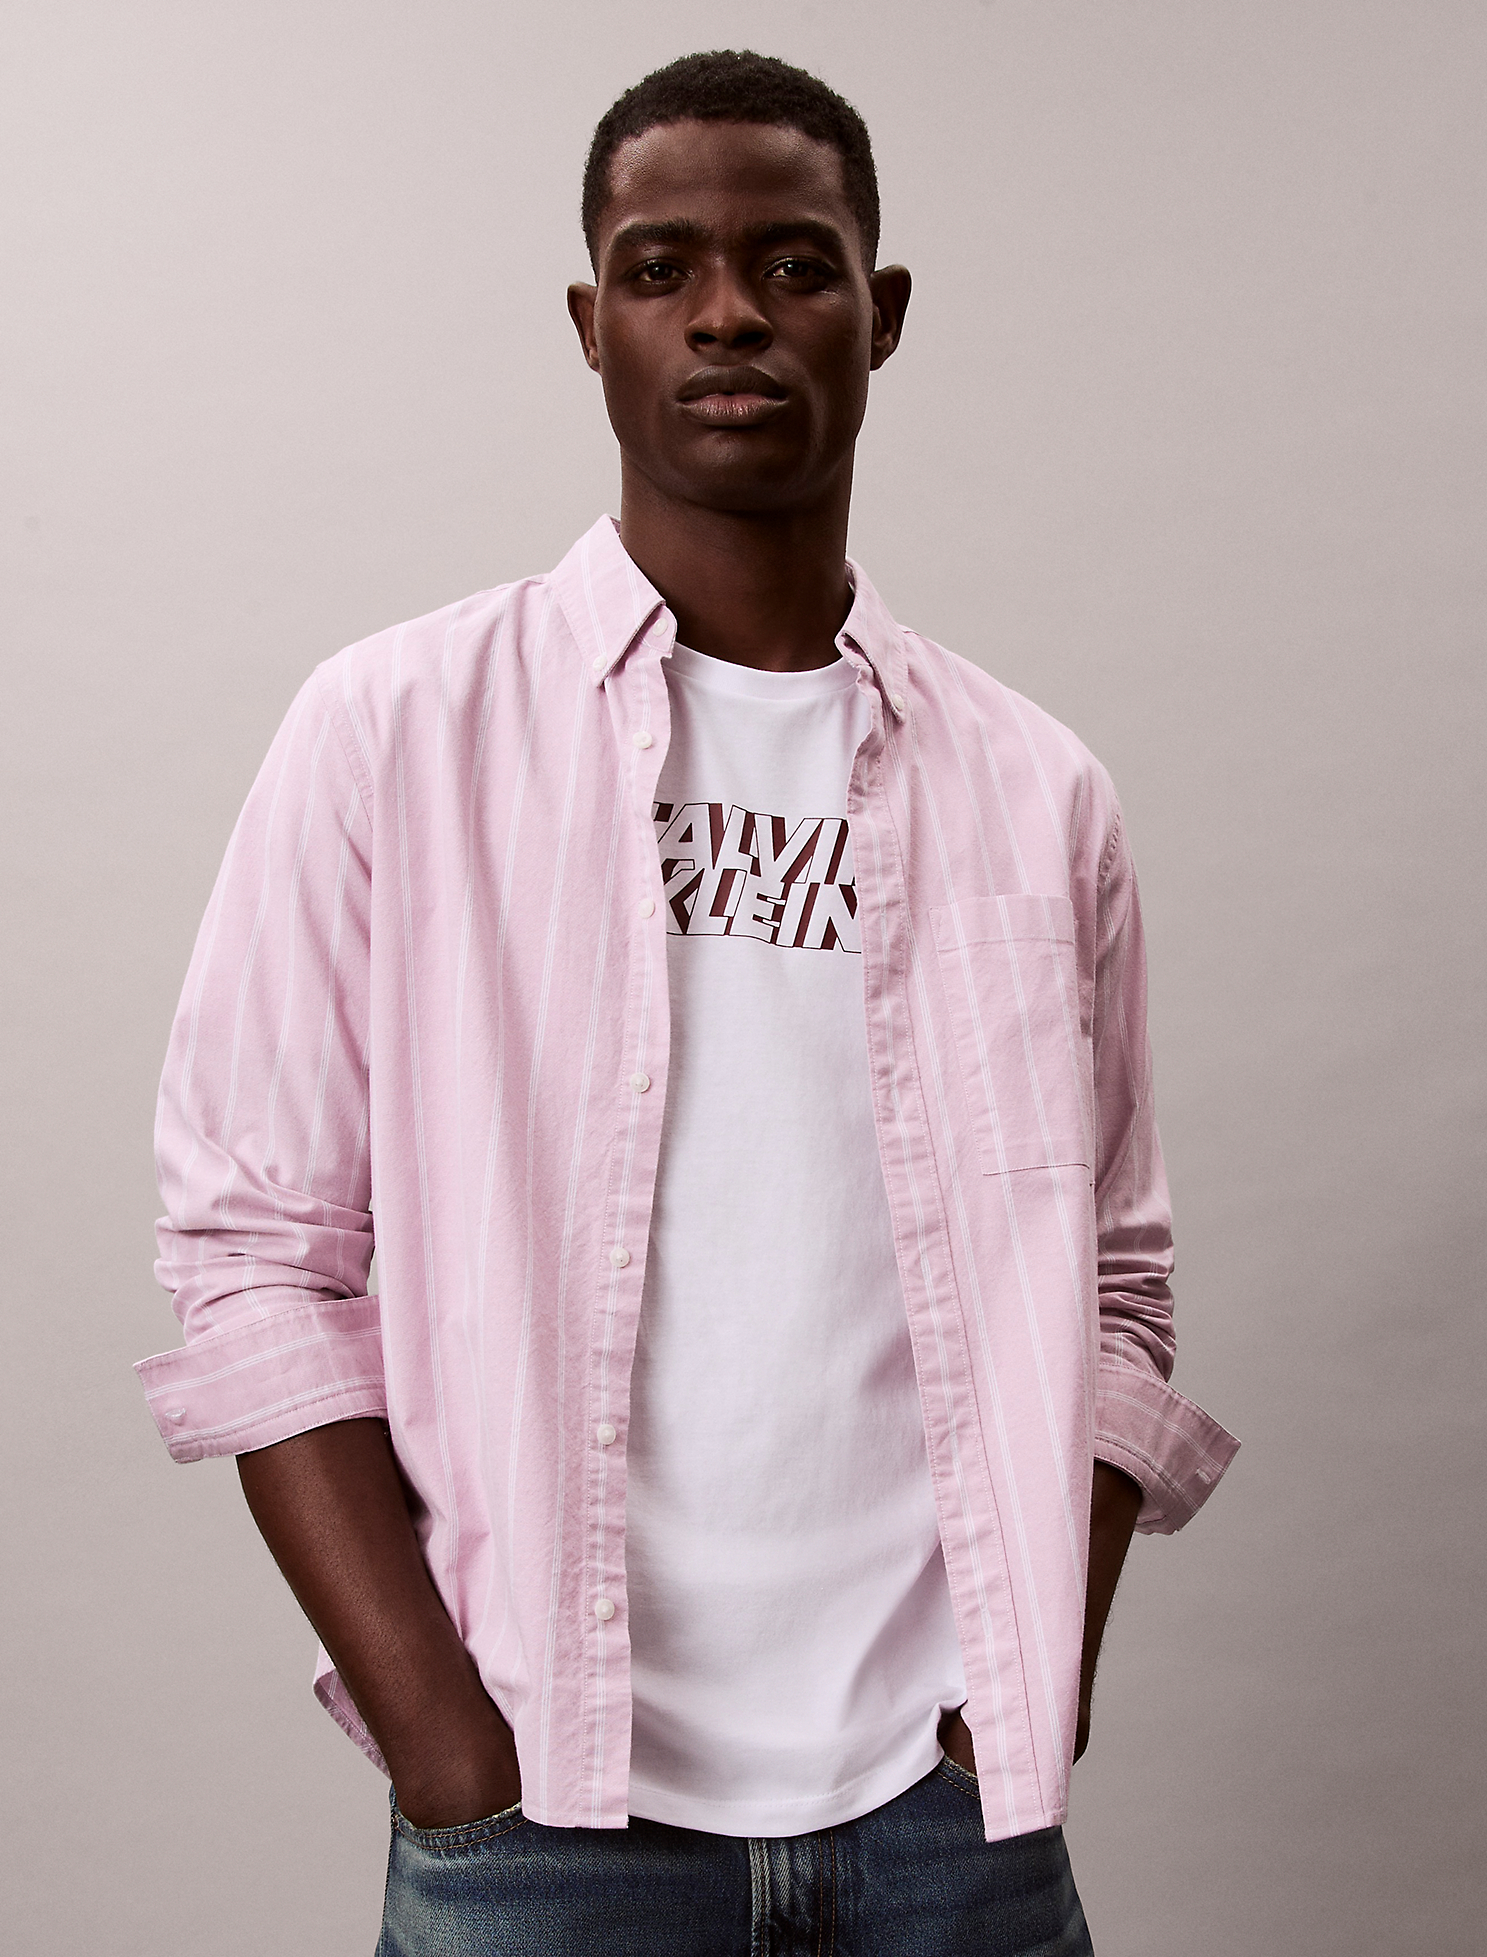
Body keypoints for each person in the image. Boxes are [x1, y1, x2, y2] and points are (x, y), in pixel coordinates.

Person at [136, 48, 1238, 1956]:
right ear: (593, 324)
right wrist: (447, 1746)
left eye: (795, 263)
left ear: (883, 314)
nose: (730, 311)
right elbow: (254, 1258)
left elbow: (1116, 1285)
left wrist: (1024, 1692)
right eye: (663, 269)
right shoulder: (395, 732)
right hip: (548, 1826)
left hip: (948, 1827)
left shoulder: (1034, 789)